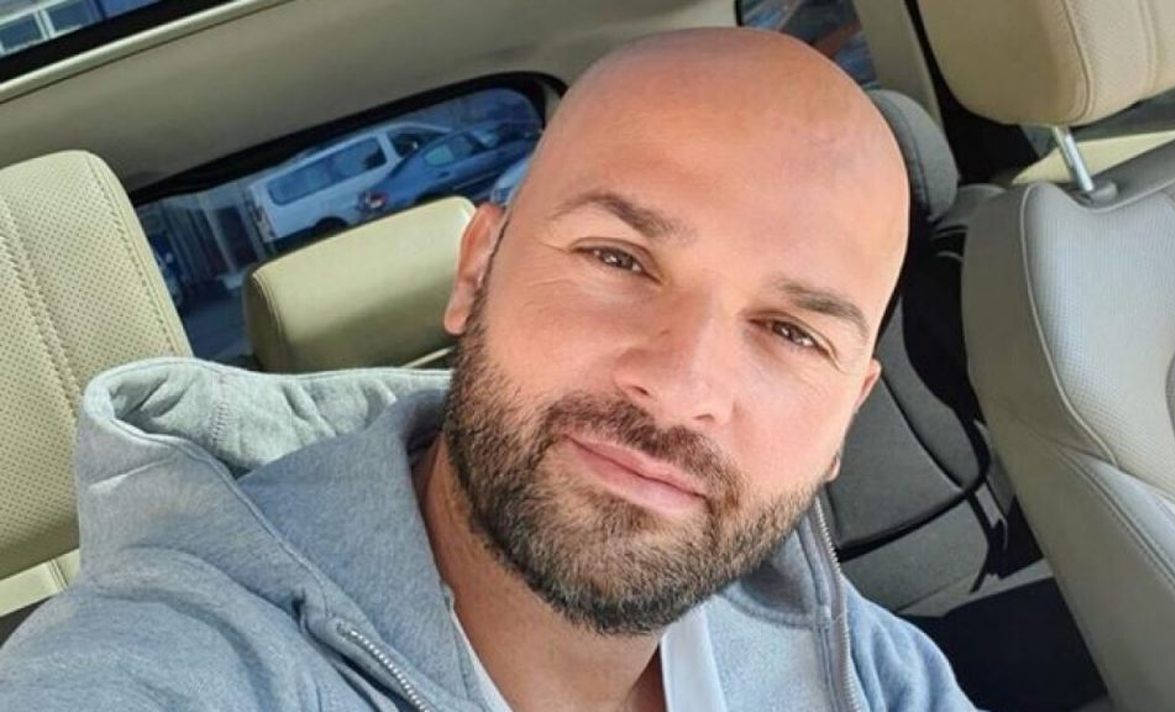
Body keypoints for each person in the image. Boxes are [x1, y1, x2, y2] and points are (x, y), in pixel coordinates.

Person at [0, 27, 976, 712]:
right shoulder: (174, 660)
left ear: (846, 417)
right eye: (618, 259)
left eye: (793, 333)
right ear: (476, 272)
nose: (683, 387)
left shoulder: (863, 664)